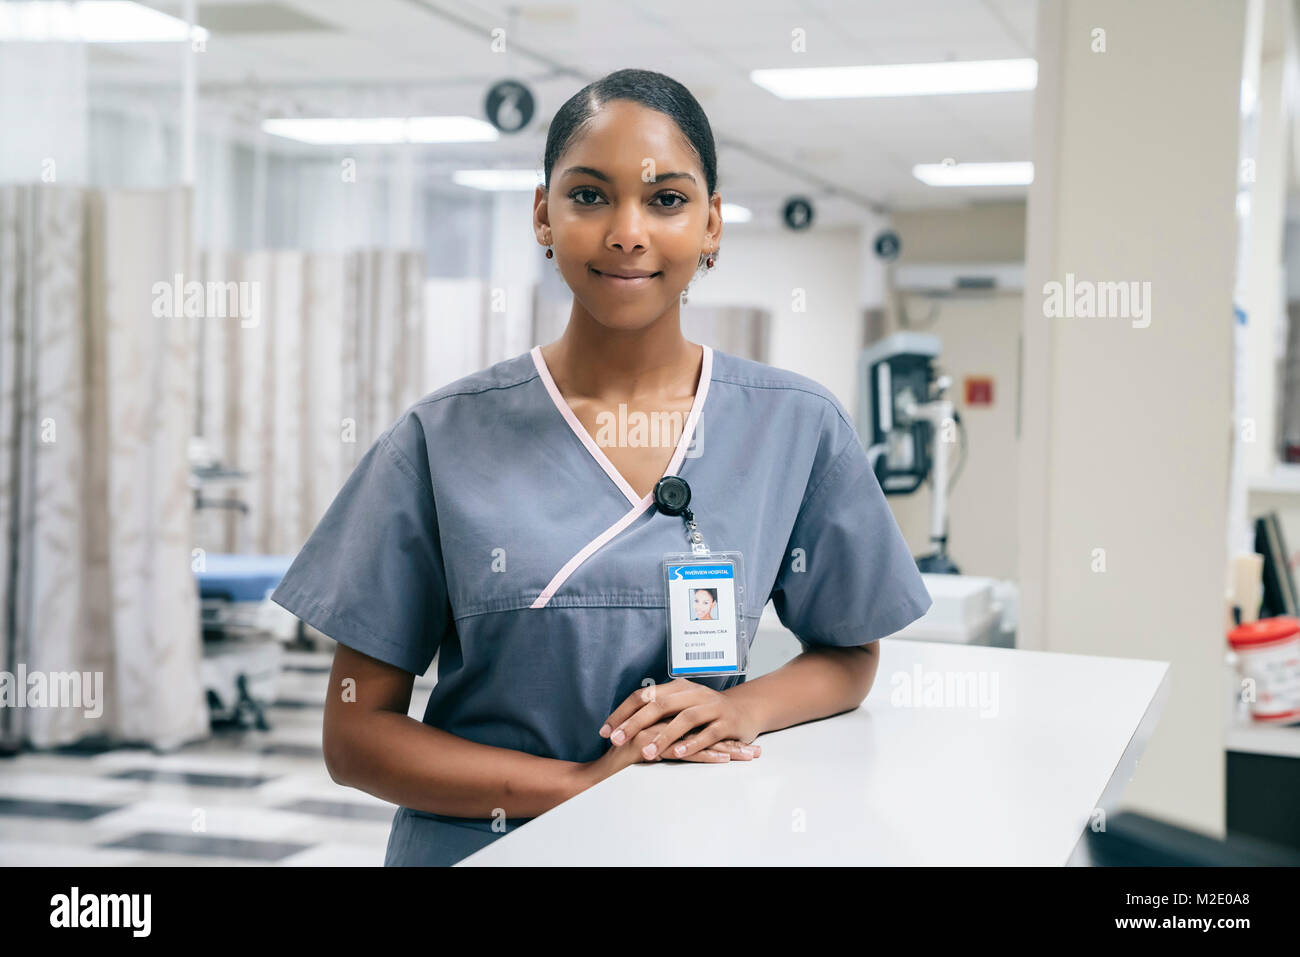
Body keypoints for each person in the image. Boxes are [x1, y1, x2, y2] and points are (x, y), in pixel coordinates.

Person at [270, 68, 932, 866]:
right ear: (542, 215)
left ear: (713, 225)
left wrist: (744, 708)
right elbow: (355, 734)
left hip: (686, 844)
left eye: (667, 199)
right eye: (589, 196)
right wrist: (582, 786)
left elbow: (851, 653)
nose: (627, 231)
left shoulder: (794, 425)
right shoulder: (440, 438)